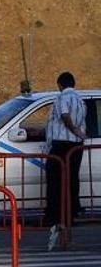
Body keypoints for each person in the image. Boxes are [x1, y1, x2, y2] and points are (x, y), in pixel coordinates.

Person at [45, 72, 87, 251]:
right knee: (71, 181)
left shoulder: (63, 97)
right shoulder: (81, 100)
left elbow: (64, 115)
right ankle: (70, 214)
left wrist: (74, 129)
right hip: (76, 147)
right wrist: (78, 134)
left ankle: (55, 217)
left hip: (61, 145)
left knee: (55, 182)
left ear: (60, 85)